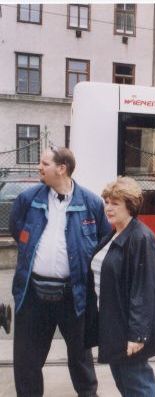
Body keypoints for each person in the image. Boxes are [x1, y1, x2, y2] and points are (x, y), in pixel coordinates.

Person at [9, 147, 110, 397]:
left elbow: (104, 242)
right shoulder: (28, 199)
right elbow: (17, 230)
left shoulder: (91, 203)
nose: (39, 167)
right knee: (27, 362)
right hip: (32, 295)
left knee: (81, 359)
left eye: (44, 163)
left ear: (61, 168)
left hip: (74, 296)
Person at [85, 176, 155, 396]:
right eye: (107, 202)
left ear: (131, 206)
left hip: (128, 328)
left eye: (115, 203)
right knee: (125, 383)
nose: (108, 208)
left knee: (137, 384)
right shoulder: (114, 234)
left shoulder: (141, 238)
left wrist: (137, 335)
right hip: (114, 323)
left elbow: (143, 291)